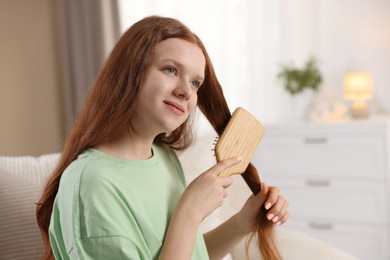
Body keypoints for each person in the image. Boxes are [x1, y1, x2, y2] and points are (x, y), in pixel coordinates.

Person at [36, 15, 289, 260]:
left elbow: (188, 252)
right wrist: (189, 212)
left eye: (195, 83)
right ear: (129, 72)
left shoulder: (165, 158)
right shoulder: (91, 184)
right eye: (170, 69)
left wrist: (242, 223)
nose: (185, 92)